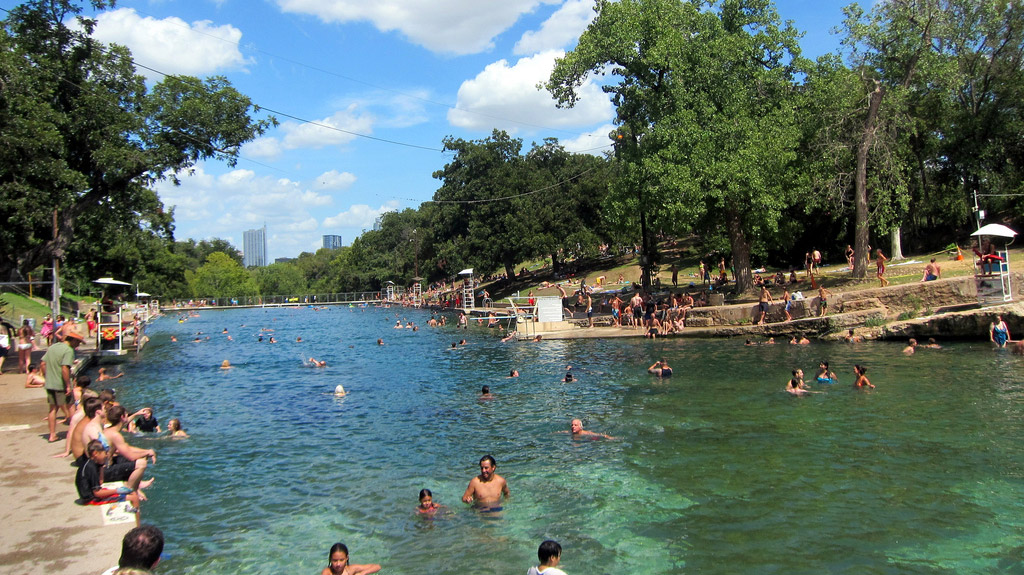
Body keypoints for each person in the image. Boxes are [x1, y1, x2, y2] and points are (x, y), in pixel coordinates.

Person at [75, 439, 151, 513]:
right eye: (105, 453)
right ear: (95, 453)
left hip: (91, 494)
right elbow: (97, 493)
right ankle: (137, 523)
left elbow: (100, 482)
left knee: (132, 493)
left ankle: (132, 510)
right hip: (90, 499)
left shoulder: (92, 463)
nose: (107, 455)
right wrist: (117, 490)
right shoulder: (91, 468)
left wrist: (102, 465)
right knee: (134, 498)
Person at [41, 328, 84, 442]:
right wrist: (68, 385)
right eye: (78, 342)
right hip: (61, 384)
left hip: (50, 383)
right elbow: (65, 368)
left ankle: (52, 435)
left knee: (52, 409)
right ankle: (75, 432)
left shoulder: (53, 347)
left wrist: (47, 377)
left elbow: (43, 363)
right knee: (71, 408)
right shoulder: (68, 350)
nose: (78, 345)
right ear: (73, 340)